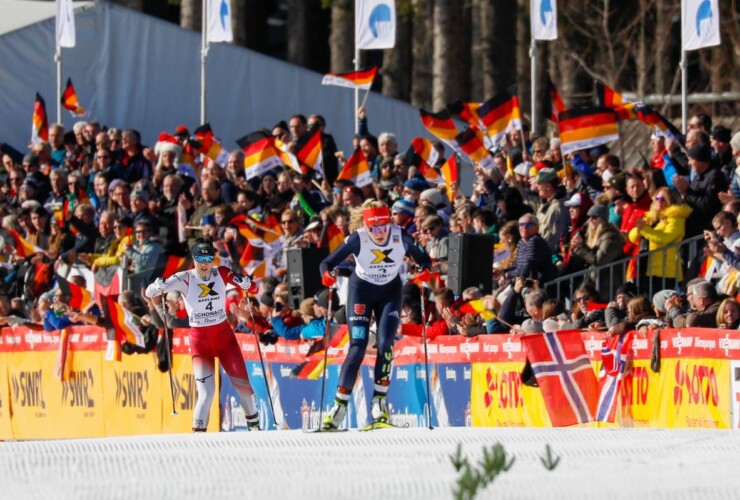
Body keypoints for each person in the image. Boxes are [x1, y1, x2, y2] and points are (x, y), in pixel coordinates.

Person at [319, 201, 432, 429]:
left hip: (390, 293)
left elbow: (424, 260)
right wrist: (326, 275)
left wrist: (424, 271)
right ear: (366, 226)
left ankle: (379, 404)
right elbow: (327, 262)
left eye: (384, 227)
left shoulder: (401, 236)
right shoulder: (357, 238)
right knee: (358, 346)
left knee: (386, 343)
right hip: (361, 292)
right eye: (374, 229)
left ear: (389, 222)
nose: (380, 234)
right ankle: (339, 408)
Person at [144, 238, 261, 432]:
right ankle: (199, 438)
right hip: (201, 343)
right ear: (194, 258)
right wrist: (157, 286)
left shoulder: (221, 273)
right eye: (200, 258)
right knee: (206, 395)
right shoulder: (184, 278)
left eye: (208, 258)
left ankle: (255, 430)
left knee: (245, 389)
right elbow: (149, 292)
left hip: (225, 340)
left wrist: (249, 284)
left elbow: (254, 289)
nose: (205, 263)